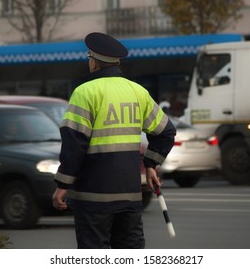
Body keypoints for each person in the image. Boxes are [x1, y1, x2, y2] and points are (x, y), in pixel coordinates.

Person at [52, 32, 176, 249]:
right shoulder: (137, 92)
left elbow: (74, 144)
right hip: (129, 195)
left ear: (93, 62)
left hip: (92, 198)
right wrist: (150, 165)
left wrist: (63, 184)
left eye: (89, 57)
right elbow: (166, 132)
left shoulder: (84, 93)